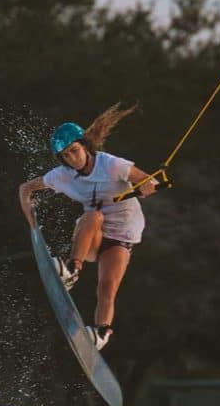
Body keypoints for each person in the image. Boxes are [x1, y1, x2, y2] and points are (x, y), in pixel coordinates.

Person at [18, 103, 158, 350]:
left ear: (85, 146)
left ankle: (102, 333)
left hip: (122, 236)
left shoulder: (112, 165)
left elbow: (147, 179)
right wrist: (32, 227)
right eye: (66, 156)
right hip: (91, 236)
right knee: (93, 216)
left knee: (107, 286)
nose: (72, 159)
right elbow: (25, 188)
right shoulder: (62, 175)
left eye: (74, 151)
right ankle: (72, 268)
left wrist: (148, 185)